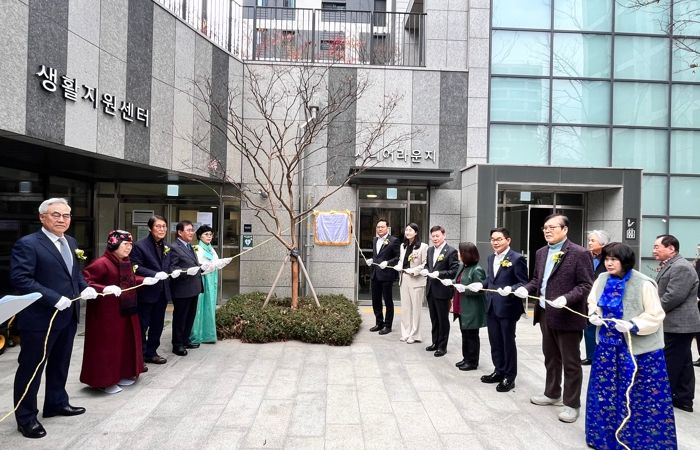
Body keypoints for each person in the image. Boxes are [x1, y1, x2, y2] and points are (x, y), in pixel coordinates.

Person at [10, 198, 97, 438]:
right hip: (40, 319)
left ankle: (56, 403)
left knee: (60, 363)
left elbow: (74, 274)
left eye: (66, 215)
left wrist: (85, 288)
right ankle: (26, 417)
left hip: (68, 315)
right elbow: (21, 279)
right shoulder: (28, 244)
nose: (61, 219)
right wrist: (53, 298)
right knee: (32, 368)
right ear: (42, 217)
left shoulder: (71, 241)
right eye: (55, 215)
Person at [585, 242, 677, 449]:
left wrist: (633, 324)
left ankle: (640, 442)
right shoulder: (601, 279)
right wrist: (594, 315)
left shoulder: (643, 283)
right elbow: (593, 302)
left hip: (638, 351)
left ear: (625, 261)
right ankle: (603, 439)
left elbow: (655, 315)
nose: (609, 263)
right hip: (608, 348)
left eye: (614, 259)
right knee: (605, 395)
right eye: (606, 259)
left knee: (639, 396)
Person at [514, 214, 593, 423]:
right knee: (550, 357)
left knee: (571, 362)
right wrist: (525, 289)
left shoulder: (579, 253)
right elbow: (537, 280)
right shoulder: (541, 252)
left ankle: (572, 404)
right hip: (544, 313)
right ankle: (552, 393)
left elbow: (586, 285)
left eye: (552, 227)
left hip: (567, 315)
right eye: (545, 228)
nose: (547, 231)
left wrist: (566, 298)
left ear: (565, 229)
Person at [80, 230, 158, 394]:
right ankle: (104, 381)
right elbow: (85, 281)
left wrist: (144, 280)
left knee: (125, 343)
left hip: (127, 308)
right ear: (114, 244)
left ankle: (122, 373)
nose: (129, 247)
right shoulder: (101, 263)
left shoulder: (125, 261)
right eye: (125, 244)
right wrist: (103, 288)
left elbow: (129, 280)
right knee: (108, 346)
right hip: (106, 313)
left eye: (130, 244)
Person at [473, 227, 528, 392]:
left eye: (499, 239)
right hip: (491, 305)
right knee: (495, 341)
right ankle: (499, 370)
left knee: (507, 342)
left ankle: (509, 377)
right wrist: (480, 284)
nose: (495, 242)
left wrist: (511, 289)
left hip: (508, 307)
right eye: (492, 239)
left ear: (508, 240)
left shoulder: (517, 258)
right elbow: (491, 280)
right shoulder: (491, 258)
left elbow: (523, 282)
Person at [653, 234, 700, 413]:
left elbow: (673, 296)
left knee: (671, 362)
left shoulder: (681, 267)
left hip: (679, 325)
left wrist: (652, 311)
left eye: (657, 247)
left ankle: (663, 399)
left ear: (671, 248)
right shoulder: (672, 264)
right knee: (684, 362)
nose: (654, 250)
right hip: (676, 324)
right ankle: (683, 398)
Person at [130, 215, 172, 365]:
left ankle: (151, 352)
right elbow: (135, 266)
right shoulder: (139, 245)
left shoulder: (166, 246)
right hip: (146, 292)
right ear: (150, 228)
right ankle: (139, 356)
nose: (162, 229)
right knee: (142, 325)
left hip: (162, 292)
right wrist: (154, 274)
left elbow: (168, 266)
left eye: (164, 226)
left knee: (158, 324)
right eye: (158, 226)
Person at [421, 225, 459, 357]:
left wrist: (439, 273)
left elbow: (454, 271)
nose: (435, 238)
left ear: (444, 235)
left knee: (443, 319)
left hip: (442, 291)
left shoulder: (451, 251)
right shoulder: (430, 250)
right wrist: (426, 270)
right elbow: (428, 265)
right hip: (431, 289)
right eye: (433, 236)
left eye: (437, 236)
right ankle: (435, 342)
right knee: (434, 318)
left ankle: (442, 346)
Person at [169, 220, 205, 356]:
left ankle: (185, 340)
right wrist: (186, 271)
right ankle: (177, 344)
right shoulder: (174, 247)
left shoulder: (189, 246)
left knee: (190, 316)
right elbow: (172, 268)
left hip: (193, 287)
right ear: (180, 232)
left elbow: (192, 263)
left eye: (192, 230)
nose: (192, 233)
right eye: (188, 230)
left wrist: (203, 267)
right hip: (182, 289)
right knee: (180, 317)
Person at [452, 242, 486, 371]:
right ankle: (466, 357)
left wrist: (465, 289)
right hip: (461, 306)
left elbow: (480, 290)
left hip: (471, 308)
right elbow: (458, 281)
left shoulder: (477, 270)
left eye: (460, 252)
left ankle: (472, 361)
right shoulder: (463, 266)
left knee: (471, 335)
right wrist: (451, 282)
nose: (458, 254)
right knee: (464, 334)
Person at [395, 223, 428, 344]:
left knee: (416, 309)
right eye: (406, 230)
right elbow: (401, 260)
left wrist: (413, 270)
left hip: (416, 280)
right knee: (405, 308)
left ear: (416, 232)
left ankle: (415, 335)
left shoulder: (423, 246)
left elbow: (425, 264)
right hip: (404, 278)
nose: (407, 232)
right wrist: (399, 266)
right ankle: (405, 333)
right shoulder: (403, 245)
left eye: (410, 230)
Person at [366, 218, 400, 334]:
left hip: (387, 275)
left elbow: (398, 257)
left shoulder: (394, 240)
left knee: (388, 301)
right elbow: (377, 255)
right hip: (375, 274)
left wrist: (388, 262)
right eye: (378, 227)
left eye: (382, 227)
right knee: (376, 301)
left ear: (387, 228)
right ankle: (379, 323)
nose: (380, 229)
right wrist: (372, 260)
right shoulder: (375, 240)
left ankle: (388, 326)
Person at [582, 229, 610, 366]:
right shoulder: (587, 256)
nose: (589, 243)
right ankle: (591, 356)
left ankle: (602, 357)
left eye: (593, 240)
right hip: (588, 297)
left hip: (604, 298)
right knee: (588, 329)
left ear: (602, 243)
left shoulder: (609, 258)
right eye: (589, 240)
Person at [191, 225, 218, 344]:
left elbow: (215, 262)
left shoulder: (211, 249)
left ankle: (208, 335)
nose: (209, 236)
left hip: (211, 280)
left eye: (210, 234)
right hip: (202, 280)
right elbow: (198, 265)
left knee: (209, 306)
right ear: (199, 236)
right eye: (206, 234)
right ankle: (196, 335)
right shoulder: (197, 248)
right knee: (199, 307)